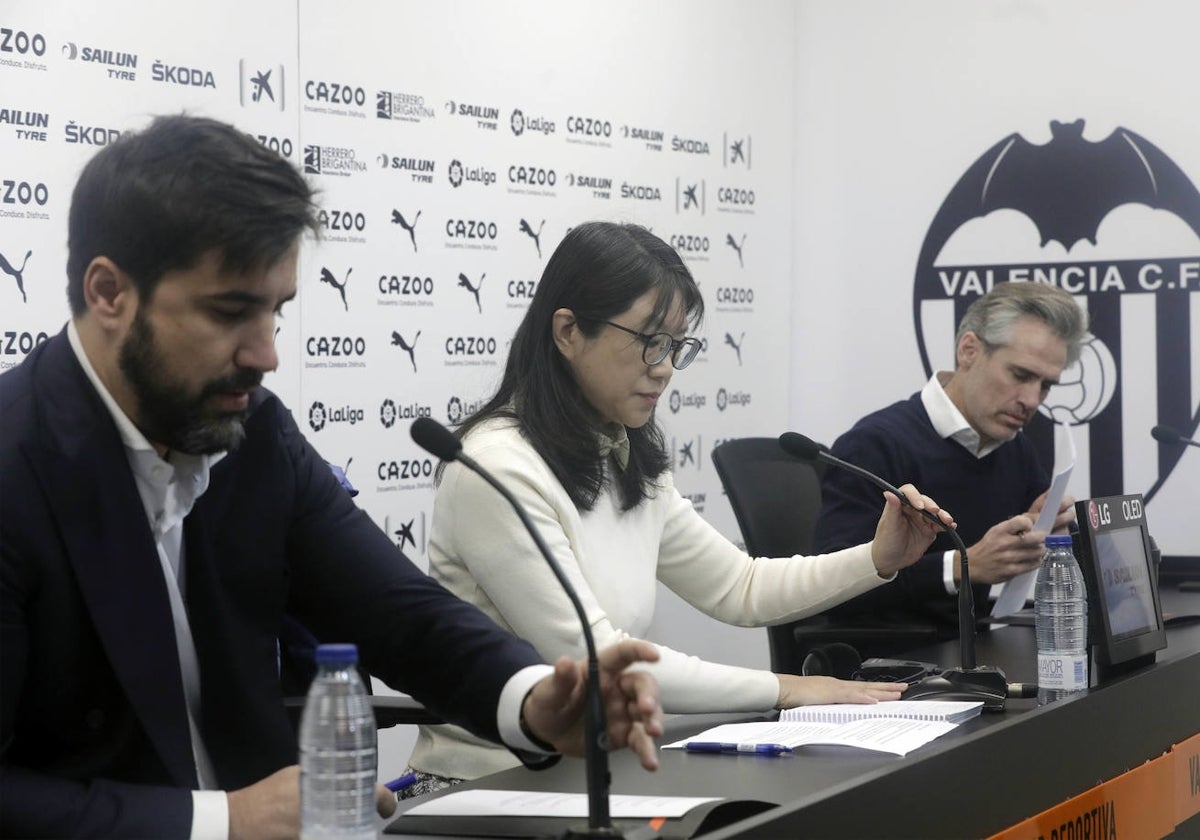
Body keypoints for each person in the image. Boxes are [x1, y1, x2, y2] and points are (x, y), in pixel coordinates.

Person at [0, 116, 665, 840]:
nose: (266, 354)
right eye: (230, 312)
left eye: (276, 312)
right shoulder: (14, 463)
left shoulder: (253, 434)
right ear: (108, 293)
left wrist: (536, 699)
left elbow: (399, 614)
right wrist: (225, 820)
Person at [401, 221, 956, 792]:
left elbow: (738, 586)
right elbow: (599, 660)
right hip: (485, 787)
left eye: (675, 346)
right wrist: (787, 688)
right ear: (568, 331)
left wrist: (878, 557)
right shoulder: (498, 466)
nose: (664, 367)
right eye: (650, 341)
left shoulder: (620, 450)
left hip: (594, 774)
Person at [812, 281, 1088, 639]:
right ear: (969, 350)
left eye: (1046, 385)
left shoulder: (1015, 448)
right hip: (895, 668)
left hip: (983, 652)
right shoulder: (874, 444)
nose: (1032, 400)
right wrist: (962, 567)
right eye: (1020, 375)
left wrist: (1051, 534)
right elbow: (831, 590)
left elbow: (1025, 556)